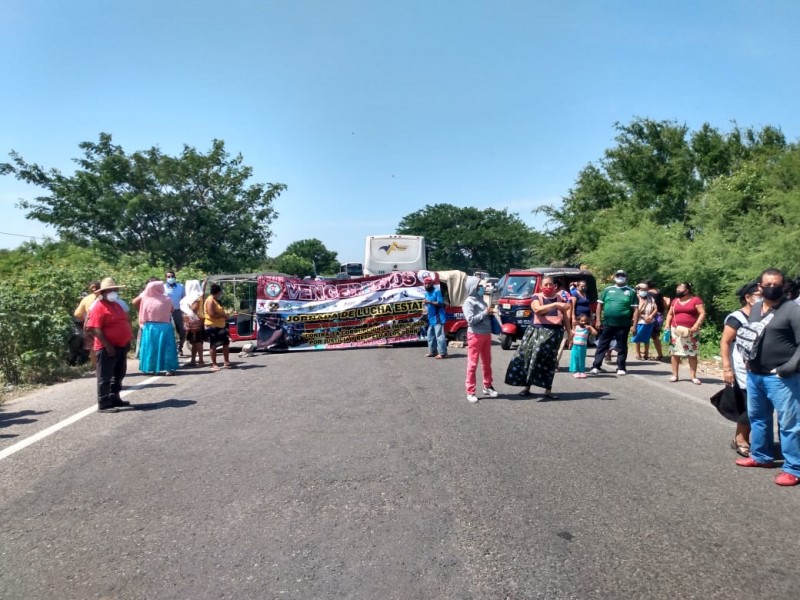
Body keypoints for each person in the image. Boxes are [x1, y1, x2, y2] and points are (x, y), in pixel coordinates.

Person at [735, 268, 800, 487]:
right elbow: (752, 335)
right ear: (759, 287)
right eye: (767, 285)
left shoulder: (792, 310)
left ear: (784, 287)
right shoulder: (755, 308)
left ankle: (793, 468)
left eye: (777, 284)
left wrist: (787, 368)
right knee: (758, 418)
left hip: (781, 378)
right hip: (755, 375)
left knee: (790, 424)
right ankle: (761, 455)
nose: (772, 288)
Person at [505, 275, 569, 399]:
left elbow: (564, 316)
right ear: (541, 286)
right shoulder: (536, 297)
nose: (548, 287)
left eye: (550, 284)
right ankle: (527, 387)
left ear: (554, 286)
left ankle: (548, 390)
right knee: (531, 358)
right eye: (545, 285)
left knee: (550, 362)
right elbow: (537, 309)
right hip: (538, 332)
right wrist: (555, 304)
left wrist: (570, 333)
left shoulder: (560, 298)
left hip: (555, 333)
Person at [720, 281, 761, 457]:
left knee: (756, 406)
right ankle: (741, 439)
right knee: (749, 405)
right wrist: (727, 368)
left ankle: (743, 438)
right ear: (748, 298)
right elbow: (725, 342)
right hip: (740, 368)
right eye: (759, 295)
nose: (763, 298)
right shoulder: (737, 318)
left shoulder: (764, 315)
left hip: (760, 367)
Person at [85, 277, 133, 413]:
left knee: (118, 374)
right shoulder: (98, 307)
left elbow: (124, 322)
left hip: (121, 345)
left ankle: (114, 397)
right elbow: (95, 328)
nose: (113, 292)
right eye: (109, 290)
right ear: (103, 292)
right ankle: (104, 402)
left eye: (114, 289)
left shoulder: (116, 305)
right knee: (105, 376)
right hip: (107, 348)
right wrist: (108, 346)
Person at [590, 270, 638, 376]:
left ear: (626, 277)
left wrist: (634, 325)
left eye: (622, 275)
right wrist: (598, 320)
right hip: (607, 323)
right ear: (614, 277)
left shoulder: (631, 291)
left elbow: (635, 310)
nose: (620, 277)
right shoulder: (608, 290)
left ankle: (621, 367)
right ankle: (596, 366)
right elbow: (599, 305)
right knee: (602, 345)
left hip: (623, 324)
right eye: (618, 275)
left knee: (622, 346)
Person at [462, 276, 498, 403]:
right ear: (473, 287)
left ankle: (487, 386)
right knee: (472, 364)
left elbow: (484, 315)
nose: (482, 288)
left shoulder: (482, 300)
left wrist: (490, 313)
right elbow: (470, 320)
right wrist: (485, 313)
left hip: (486, 334)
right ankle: (470, 391)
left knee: (487, 363)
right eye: (480, 286)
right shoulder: (468, 302)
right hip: (475, 335)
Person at [664, 282, 706, 384]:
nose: (677, 290)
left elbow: (702, 313)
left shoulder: (695, 300)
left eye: (680, 289)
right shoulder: (675, 301)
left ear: (686, 290)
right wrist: (667, 325)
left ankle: (693, 376)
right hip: (676, 330)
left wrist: (696, 325)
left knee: (692, 354)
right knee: (675, 353)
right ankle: (675, 375)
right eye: (677, 289)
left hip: (691, 331)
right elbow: (670, 314)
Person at [138, 281, 180, 376]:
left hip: (150, 327)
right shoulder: (167, 299)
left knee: (151, 348)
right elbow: (172, 309)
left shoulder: (145, 299)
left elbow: (141, 312)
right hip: (165, 326)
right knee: (167, 348)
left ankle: (151, 368)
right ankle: (168, 369)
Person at [204, 283, 235, 371]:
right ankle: (214, 364)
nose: (221, 294)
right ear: (218, 292)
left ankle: (226, 362)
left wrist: (225, 315)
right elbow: (211, 314)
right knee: (213, 345)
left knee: (225, 343)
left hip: (221, 326)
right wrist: (222, 316)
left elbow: (219, 312)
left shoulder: (216, 300)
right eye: (220, 292)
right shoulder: (210, 300)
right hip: (212, 326)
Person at [73, 280, 100, 367]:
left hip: (90, 325)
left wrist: (85, 319)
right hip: (104, 325)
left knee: (92, 348)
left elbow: (77, 314)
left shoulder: (86, 299)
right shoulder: (106, 296)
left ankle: (97, 368)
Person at [180, 279, 206, 368]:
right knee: (194, 341)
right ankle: (193, 360)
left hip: (196, 321)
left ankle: (201, 361)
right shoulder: (198, 295)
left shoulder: (196, 296)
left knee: (198, 341)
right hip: (195, 320)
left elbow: (194, 308)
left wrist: (186, 305)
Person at [422, 276, 448, 359]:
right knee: (430, 335)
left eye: (428, 284)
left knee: (439, 335)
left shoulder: (437, 291)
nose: (426, 285)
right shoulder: (426, 293)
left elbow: (440, 303)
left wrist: (429, 302)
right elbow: (427, 304)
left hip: (438, 316)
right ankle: (433, 352)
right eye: (425, 284)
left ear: (432, 284)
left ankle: (443, 353)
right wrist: (425, 309)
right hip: (431, 317)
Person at [643, 280, 669, 360]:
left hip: (651, 315)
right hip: (660, 316)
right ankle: (660, 354)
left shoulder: (648, 294)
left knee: (646, 334)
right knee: (655, 336)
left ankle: (646, 354)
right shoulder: (658, 292)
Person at [164, 270, 186, 356]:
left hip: (178, 311)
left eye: (172, 276)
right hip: (167, 312)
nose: (170, 278)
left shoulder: (180, 287)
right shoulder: (163, 288)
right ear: (165, 278)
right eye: (168, 277)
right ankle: (171, 350)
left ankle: (180, 346)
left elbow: (184, 299)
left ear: (175, 277)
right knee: (170, 331)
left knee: (182, 331)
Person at [633, 283, 658, 360]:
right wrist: (643, 316)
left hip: (649, 321)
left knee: (646, 338)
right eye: (642, 290)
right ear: (638, 290)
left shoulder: (650, 298)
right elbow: (634, 310)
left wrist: (651, 316)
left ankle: (646, 353)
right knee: (637, 337)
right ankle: (638, 353)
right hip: (639, 321)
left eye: (645, 290)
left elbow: (655, 309)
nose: (643, 291)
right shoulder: (635, 298)